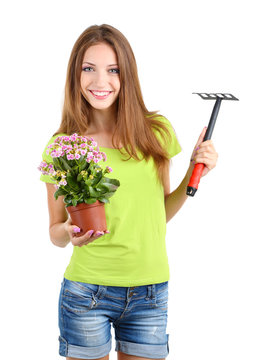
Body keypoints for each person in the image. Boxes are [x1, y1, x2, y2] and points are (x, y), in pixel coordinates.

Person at [40, 24, 218, 360]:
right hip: (85, 292)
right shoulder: (63, 147)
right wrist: (68, 232)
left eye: (113, 70)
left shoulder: (156, 133)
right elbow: (55, 233)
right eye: (88, 69)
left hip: (149, 291)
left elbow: (159, 213)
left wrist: (196, 174)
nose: (100, 82)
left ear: (127, 76)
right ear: (75, 75)